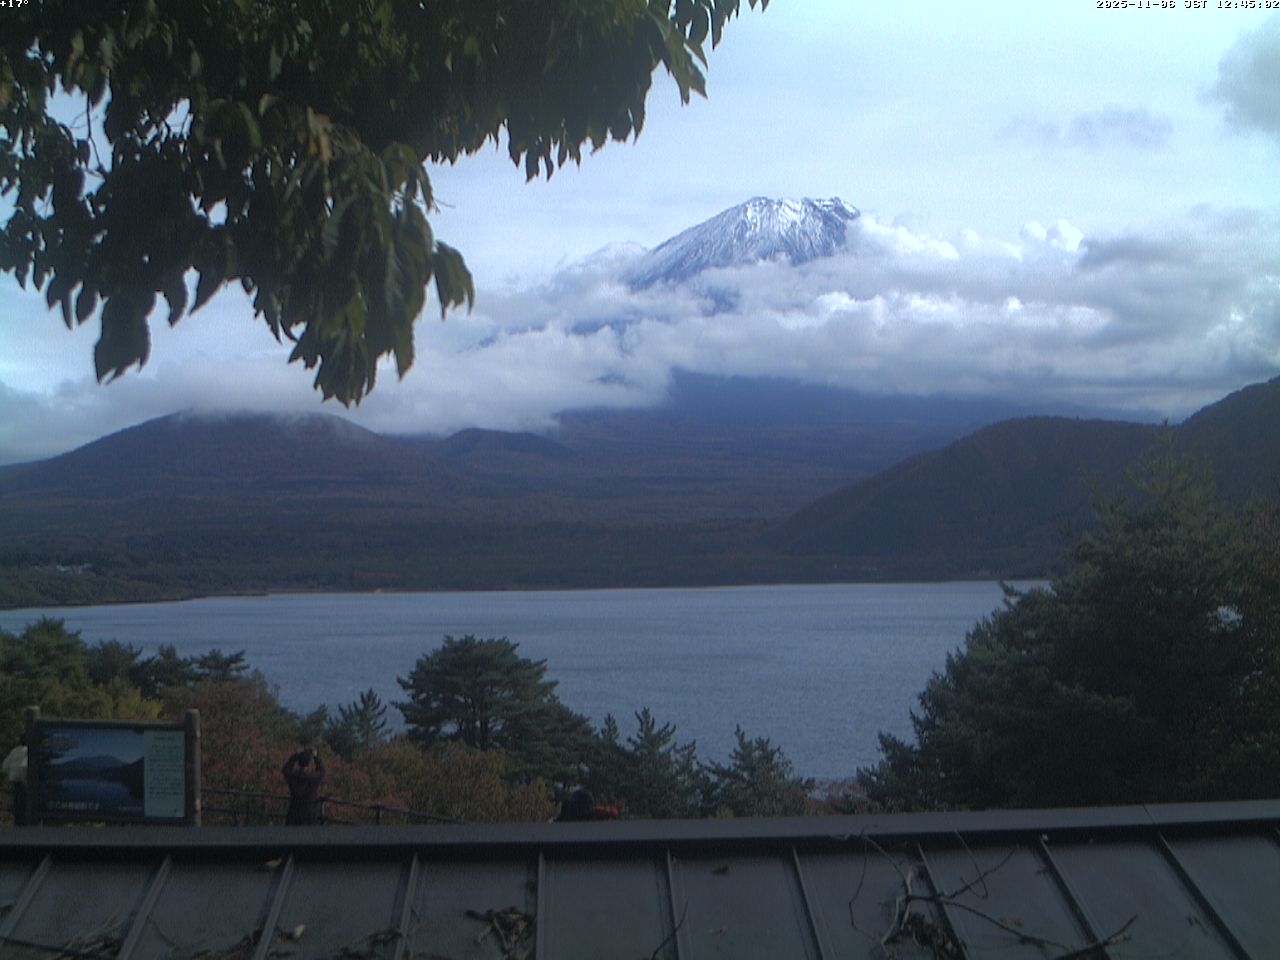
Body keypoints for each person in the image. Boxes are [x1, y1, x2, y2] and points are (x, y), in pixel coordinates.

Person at [281, 747, 325, 825]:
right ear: (308, 763)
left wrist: (295, 756)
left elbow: (285, 769)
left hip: (293, 812)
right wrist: (315, 757)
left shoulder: (292, 776)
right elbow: (321, 771)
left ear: (298, 762)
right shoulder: (312, 778)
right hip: (309, 812)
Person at [2, 738, 27, 826]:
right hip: (23, 781)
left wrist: (11, 773)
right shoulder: (27, 751)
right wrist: (25, 778)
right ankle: (24, 822)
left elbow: (4, 766)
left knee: (16, 801)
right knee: (24, 802)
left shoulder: (13, 751)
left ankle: (17, 822)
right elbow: (24, 766)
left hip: (13, 780)